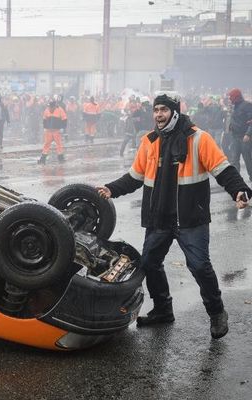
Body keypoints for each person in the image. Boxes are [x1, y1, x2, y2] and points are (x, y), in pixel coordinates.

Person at [97, 94, 251, 339]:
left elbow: (223, 168)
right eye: (156, 110)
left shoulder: (198, 138)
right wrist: (111, 189)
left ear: (175, 112)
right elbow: (135, 177)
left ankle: (217, 312)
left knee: (200, 265)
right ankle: (162, 310)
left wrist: (239, 190)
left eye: (163, 110)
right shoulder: (149, 141)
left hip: (190, 218)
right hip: (159, 218)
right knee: (149, 263)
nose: (158, 114)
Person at [227, 88, 252, 182]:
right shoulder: (234, 107)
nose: (229, 99)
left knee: (248, 159)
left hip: (245, 138)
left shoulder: (247, 105)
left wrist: (248, 134)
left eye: (231, 97)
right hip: (235, 137)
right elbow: (235, 119)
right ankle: (236, 180)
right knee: (234, 159)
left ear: (236, 96)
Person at [38, 100, 67, 164]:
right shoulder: (47, 110)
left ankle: (60, 158)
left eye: (51, 106)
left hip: (57, 130)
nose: (50, 108)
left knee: (59, 144)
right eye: (49, 106)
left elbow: (64, 119)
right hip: (48, 131)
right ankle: (43, 158)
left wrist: (62, 128)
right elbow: (44, 119)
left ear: (55, 106)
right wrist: (45, 127)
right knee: (46, 144)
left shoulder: (60, 110)